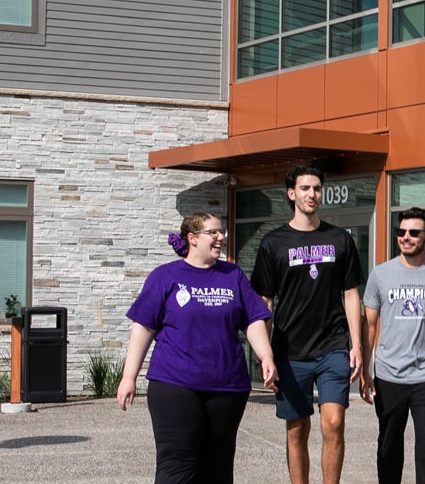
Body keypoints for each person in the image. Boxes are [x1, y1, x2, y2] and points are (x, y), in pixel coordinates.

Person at [117, 212, 278, 483]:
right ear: (192, 239)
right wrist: (128, 377)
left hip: (227, 386)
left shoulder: (233, 275)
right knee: (177, 466)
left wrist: (266, 356)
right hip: (175, 383)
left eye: (222, 232)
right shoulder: (165, 276)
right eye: (213, 233)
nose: (221, 237)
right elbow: (144, 326)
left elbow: (252, 319)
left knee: (218, 466)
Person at [250, 165, 364, 484]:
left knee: (333, 422)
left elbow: (351, 295)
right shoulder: (273, 243)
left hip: (333, 347)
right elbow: (264, 303)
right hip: (290, 351)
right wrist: (265, 355)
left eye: (316, 188)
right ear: (291, 194)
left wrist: (356, 345)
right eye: (304, 188)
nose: (311, 194)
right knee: (297, 429)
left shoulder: (340, 239)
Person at [359, 207, 425, 484]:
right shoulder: (380, 274)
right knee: (389, 447)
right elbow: (370, 326)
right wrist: (366, 371)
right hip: (389, 375)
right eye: (401, 232)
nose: (406, 237)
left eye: (414, 233)